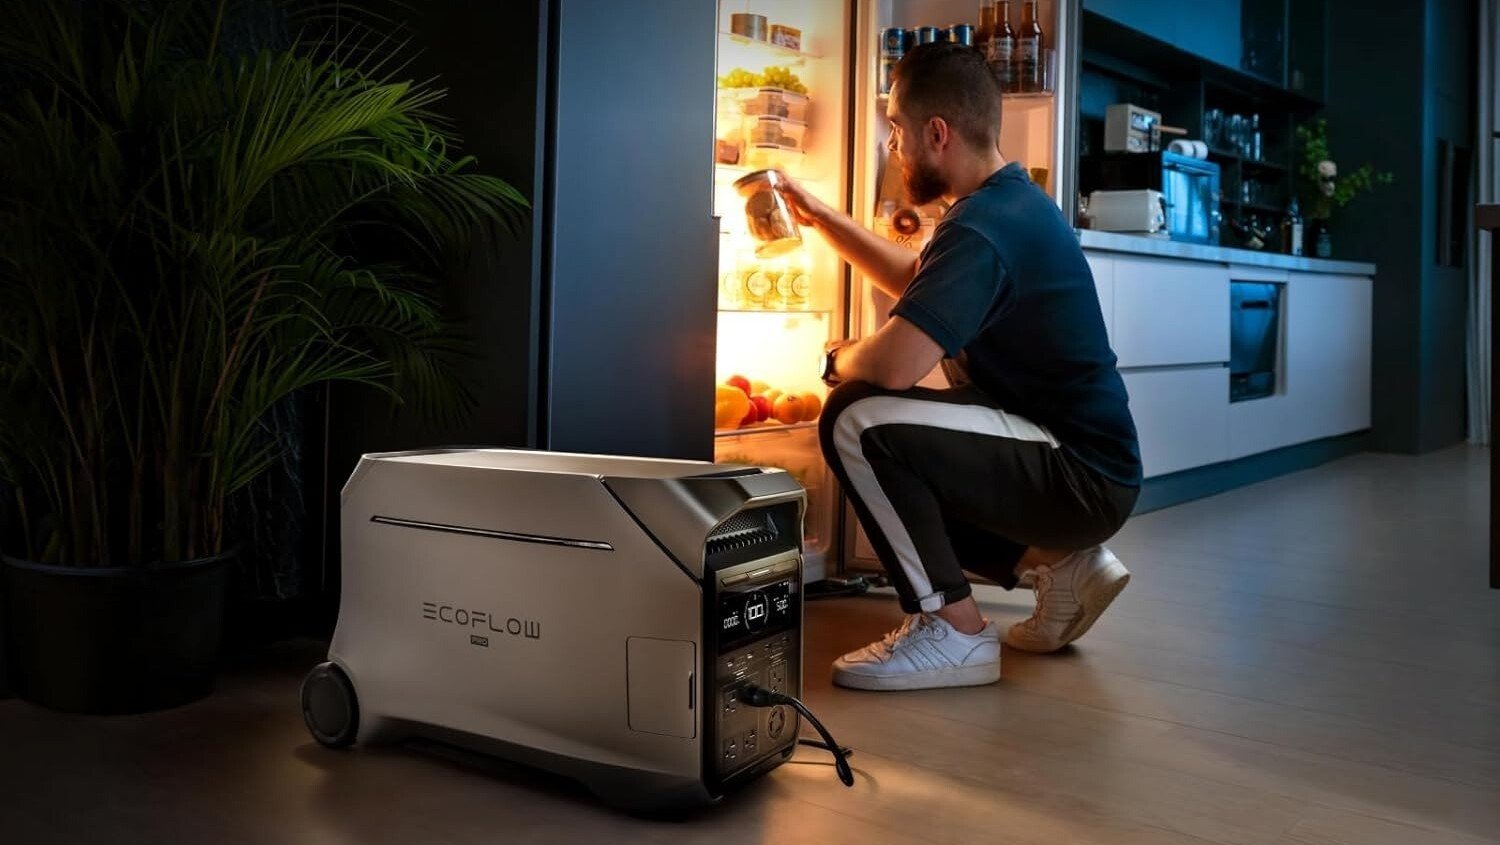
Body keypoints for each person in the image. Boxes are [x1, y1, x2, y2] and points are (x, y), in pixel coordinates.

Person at [774, 41, 1141, 692]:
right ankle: (1059, 562)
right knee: (905, 445)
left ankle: (955, 630)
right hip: (1084, 467)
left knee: (856, 417)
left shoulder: (983, 227)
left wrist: (836, 358)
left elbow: (894, 364)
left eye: (897, 130)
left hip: (1076, 473)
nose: (894, 147)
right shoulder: (1004, 205)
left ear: (936, 133)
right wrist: (824, 219)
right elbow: (917, 277)